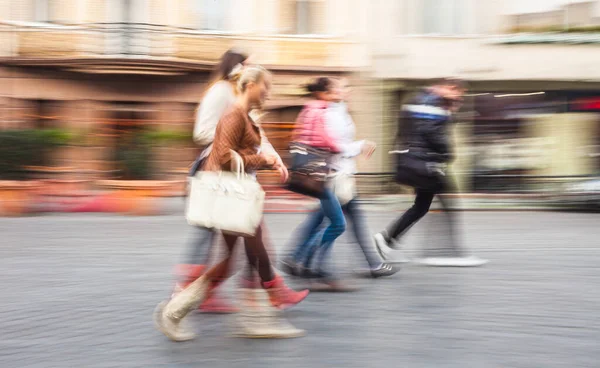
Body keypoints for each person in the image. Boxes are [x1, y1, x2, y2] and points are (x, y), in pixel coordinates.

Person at [154, 66, 310, 342]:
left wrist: (268, 160)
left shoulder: (246, 116)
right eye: (266, 87)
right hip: (232, 194)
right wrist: (264, 161)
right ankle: (258, 318)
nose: (268, 93)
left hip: (237, 194)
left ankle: (174, 312)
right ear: (250, 85)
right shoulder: (233, 115)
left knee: (231, 262)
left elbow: (240, 153)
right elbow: (224, 156)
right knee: (258, 254)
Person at [173, 49, 285, 313]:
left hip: (236, 177)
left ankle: (250, 290)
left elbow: (261, 139)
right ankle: (188, 295)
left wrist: (274, 157)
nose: (253, 69)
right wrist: (232, 137)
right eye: (248, 64)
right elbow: (202, 132)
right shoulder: (221, 91)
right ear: (237, 67)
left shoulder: (241, 98)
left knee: (233, 236)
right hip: (217, 173)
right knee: (212, 233)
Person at [281, 78, 398, 279]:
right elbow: (332, 145)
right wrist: (360, 146)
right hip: (334, 173)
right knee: (336, 222)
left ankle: (300, 260)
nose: (346, 90)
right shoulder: (327, 112)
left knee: (329, 220)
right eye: (341, 87)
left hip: (340, 173)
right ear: (326, 92)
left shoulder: (337, 109)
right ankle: (306, 261)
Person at [373, 78, 488, 267]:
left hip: (420, 161)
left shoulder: (423, 99)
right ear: (449, 88)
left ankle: (387, 239)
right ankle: (450, 253)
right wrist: (447, 153)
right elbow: (433, 133)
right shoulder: (430, 102)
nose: (460, 97)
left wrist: (450, 112)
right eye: (459, 92)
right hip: (427, 162)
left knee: (422, 206)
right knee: (448, 204)